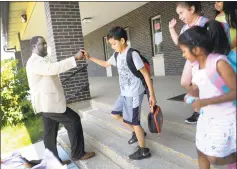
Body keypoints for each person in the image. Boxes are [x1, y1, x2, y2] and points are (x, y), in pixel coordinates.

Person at [82, 26, 156, 160]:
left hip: (134, 93)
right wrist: (90, 57)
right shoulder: (117, 55)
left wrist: (152, 95)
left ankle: (144, 150)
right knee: (115, 114)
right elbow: (105, 64)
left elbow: (145, 74)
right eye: (111, 44)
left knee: (135, 121)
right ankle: (138, 132)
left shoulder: (132, 54)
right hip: (124, 93)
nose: (112, 47)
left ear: (122, 40)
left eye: (114, 44)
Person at [26, 36, 95, 165]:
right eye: (42, 44)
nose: (46, 46)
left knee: (49, 134)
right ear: (34, 47)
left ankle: (51, 161)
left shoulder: (39, 61)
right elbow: (54, 68)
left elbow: (51, 69)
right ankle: (78, 153)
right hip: (49, 103)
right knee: (73, 120)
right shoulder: (34, 61)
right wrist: (74, 58)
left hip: (47, 104)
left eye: (46, 43)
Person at [179, 20, 236, 169]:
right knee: (201, 150)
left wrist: (206, 101)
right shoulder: (196, 67)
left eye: (184, 50)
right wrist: (190, 97)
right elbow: (197, 92)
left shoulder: (219, 63)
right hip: (207, 118)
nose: (183, 55)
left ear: (196, 49)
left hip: (225, 117)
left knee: (214, 158)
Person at [169, 2, 208, 124]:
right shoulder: (185, 28)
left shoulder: (204, 23)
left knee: (200, 85)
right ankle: (199, 107)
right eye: (178, 14)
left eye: (181, 13)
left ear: (191, 9)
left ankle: (200, 111)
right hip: (190, 59)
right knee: (185, 82)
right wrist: (171, 28)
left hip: (202, 59)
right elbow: (178, 42)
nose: (180, 17)